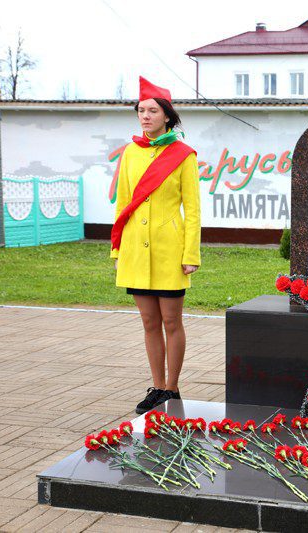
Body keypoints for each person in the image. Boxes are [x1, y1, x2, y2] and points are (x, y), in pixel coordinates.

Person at [110, 76, 201, 414]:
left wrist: (191, 253)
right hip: (135, 248)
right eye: (141, 111)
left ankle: (172, 389)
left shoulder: (184, 155)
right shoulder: (130, 153)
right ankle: (157, 386)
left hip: (170, 251)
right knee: (149, 323)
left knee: (171, 322)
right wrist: (118, 250)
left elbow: (193, 210)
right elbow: (122, 205)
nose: (145, 116)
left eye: (152, 111)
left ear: (167, 115)